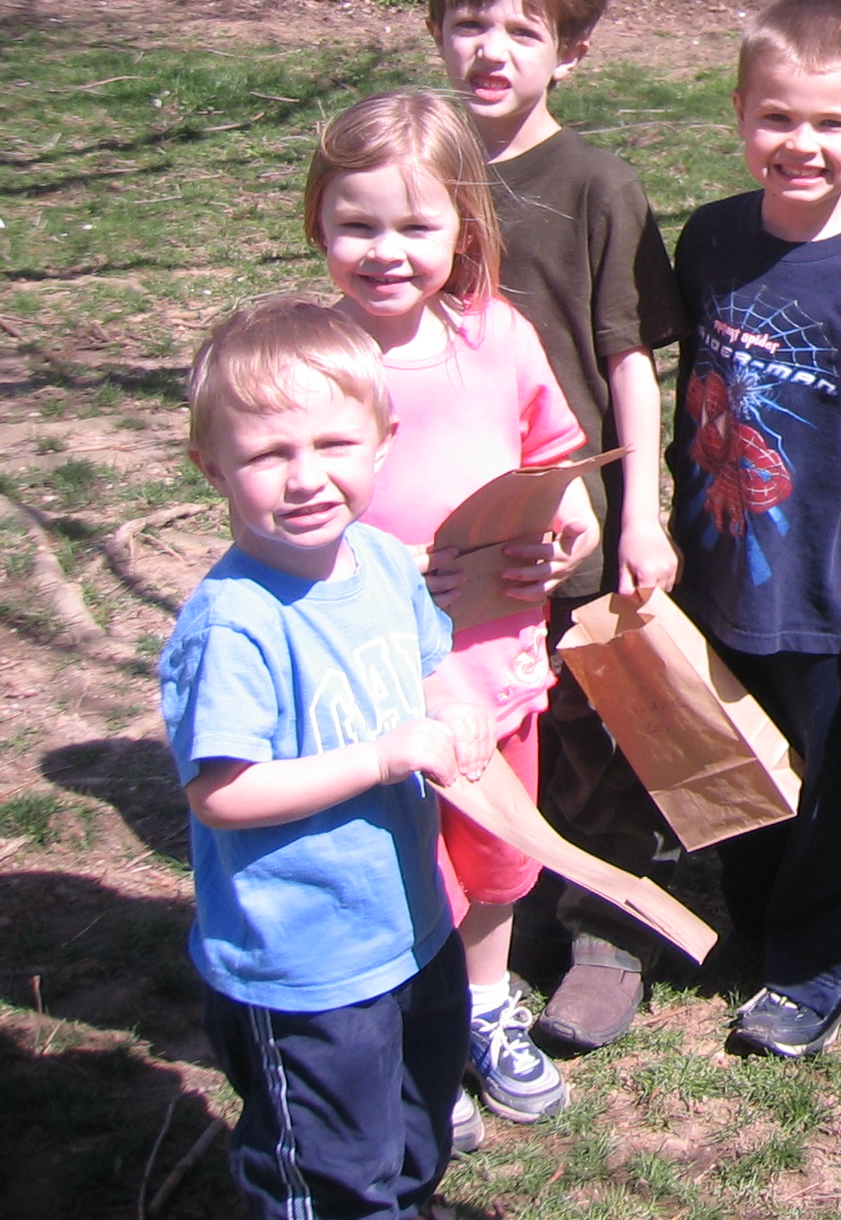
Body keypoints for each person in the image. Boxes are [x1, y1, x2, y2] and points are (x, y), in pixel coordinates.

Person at [162, 297, 496, 1220]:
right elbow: (223, 794)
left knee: (416, 1123)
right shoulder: (233, 625)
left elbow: (428, 666)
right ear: (212, 467)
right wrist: (381, 758)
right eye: (268, 454)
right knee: (330, 1166)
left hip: (411, 922)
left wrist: (455, 707)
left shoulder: (381, 561)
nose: (306, 477)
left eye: (334, 444)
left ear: (384, 443)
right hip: (303, 959)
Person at [305, 90, 597, 1134]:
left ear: (464, 230)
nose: (385, 251)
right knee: (400, 871)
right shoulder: (310, 361)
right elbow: (273, 522)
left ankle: (482, 1009)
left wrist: (569, 539)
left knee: (495, 861)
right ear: (317, 223)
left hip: (493, 671)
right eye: (357, 224)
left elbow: (558, 468)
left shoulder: (496, 337)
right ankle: (412, 1042)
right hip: (374, 695)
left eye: (415, 226)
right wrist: (377, 573)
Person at [669, 0, 841, 1059]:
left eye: (832, 123)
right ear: (739, 113)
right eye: (778, 117)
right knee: (739, 764)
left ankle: (818, 964)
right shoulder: (710, 241)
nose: (802, 144)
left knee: (830, 788)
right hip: (717, 570)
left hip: (831, 599)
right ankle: (756, 926)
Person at [426, 0, 685, 1052]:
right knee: (482, 719)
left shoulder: (597, 187)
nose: (491, 50)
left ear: (570, 53)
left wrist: (641, 516)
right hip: (451, 527)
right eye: (469, 23)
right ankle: (497, 904)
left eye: (522, 32)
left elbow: (630, 361)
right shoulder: (418, 170)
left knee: (594, 727)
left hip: (569, 519)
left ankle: (605, 930)